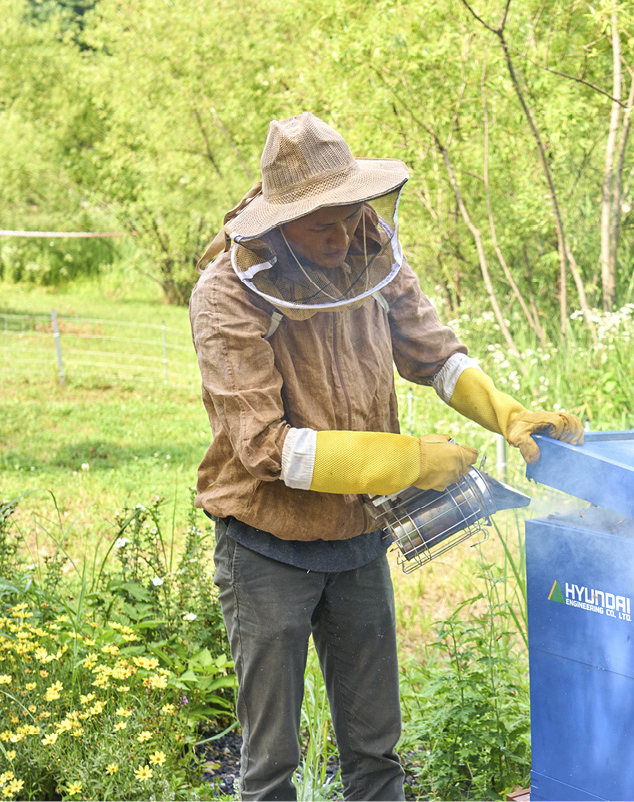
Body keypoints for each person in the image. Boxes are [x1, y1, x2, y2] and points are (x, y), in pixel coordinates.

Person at [189, 112, 584, 801]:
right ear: (279, 222)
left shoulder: (371, 249)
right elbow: (264, 448)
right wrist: (408, 462)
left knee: (375, 748)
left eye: (351, 214)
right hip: (265, 547)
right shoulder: (227, 293)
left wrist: (505, 411)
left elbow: (433, 353)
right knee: (271, 759)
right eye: (322, 225)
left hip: (357, 542)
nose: (343, 233)